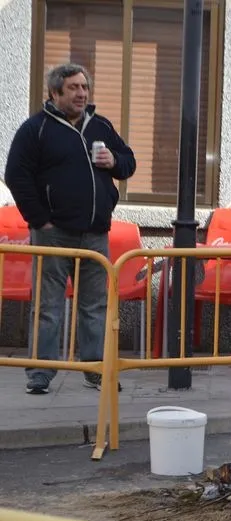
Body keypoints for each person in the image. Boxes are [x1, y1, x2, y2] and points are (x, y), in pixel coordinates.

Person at [4, 62, 136, 395]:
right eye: (74, 88)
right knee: (48, 305)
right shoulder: (36, 129)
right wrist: (39, 220)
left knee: (94, 305)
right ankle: (40, 374)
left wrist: (115, 163)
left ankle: (94, 370)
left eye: (84, 88)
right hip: (53, 233)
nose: (81, 93)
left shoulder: (101, 126)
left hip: (94, 233)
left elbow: (129, 161)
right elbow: (16, 175)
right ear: (55, 92)